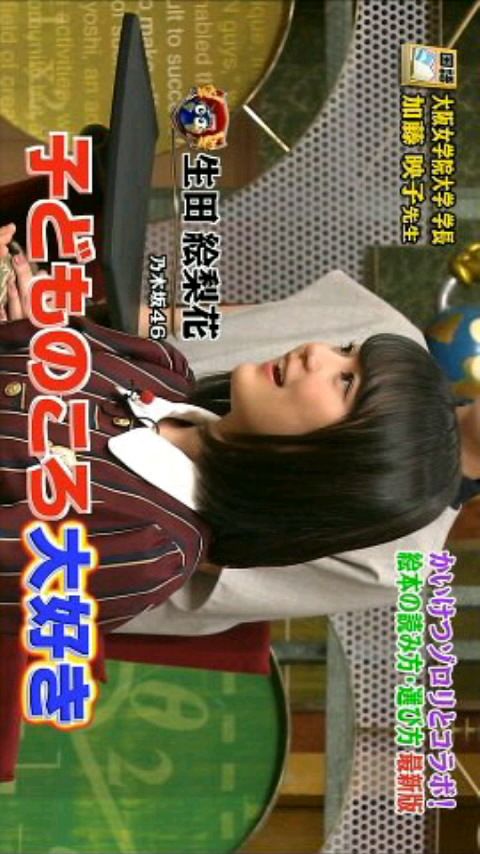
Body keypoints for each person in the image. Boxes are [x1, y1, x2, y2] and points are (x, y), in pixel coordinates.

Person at [0, 222, 462, 640]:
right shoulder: (162, 368)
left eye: (346, 382)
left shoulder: (147, 551)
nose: (315, 352)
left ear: (337, 470)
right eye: (345, 349)